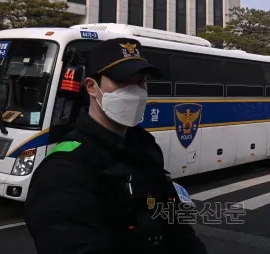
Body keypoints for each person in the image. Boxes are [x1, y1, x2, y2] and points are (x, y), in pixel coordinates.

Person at [24, 37, 209, 254]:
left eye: (141, 82)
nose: (136, 93)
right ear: (92, 87)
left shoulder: (146, 149)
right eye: (123, 83)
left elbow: (179, 229)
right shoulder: (63, 171)